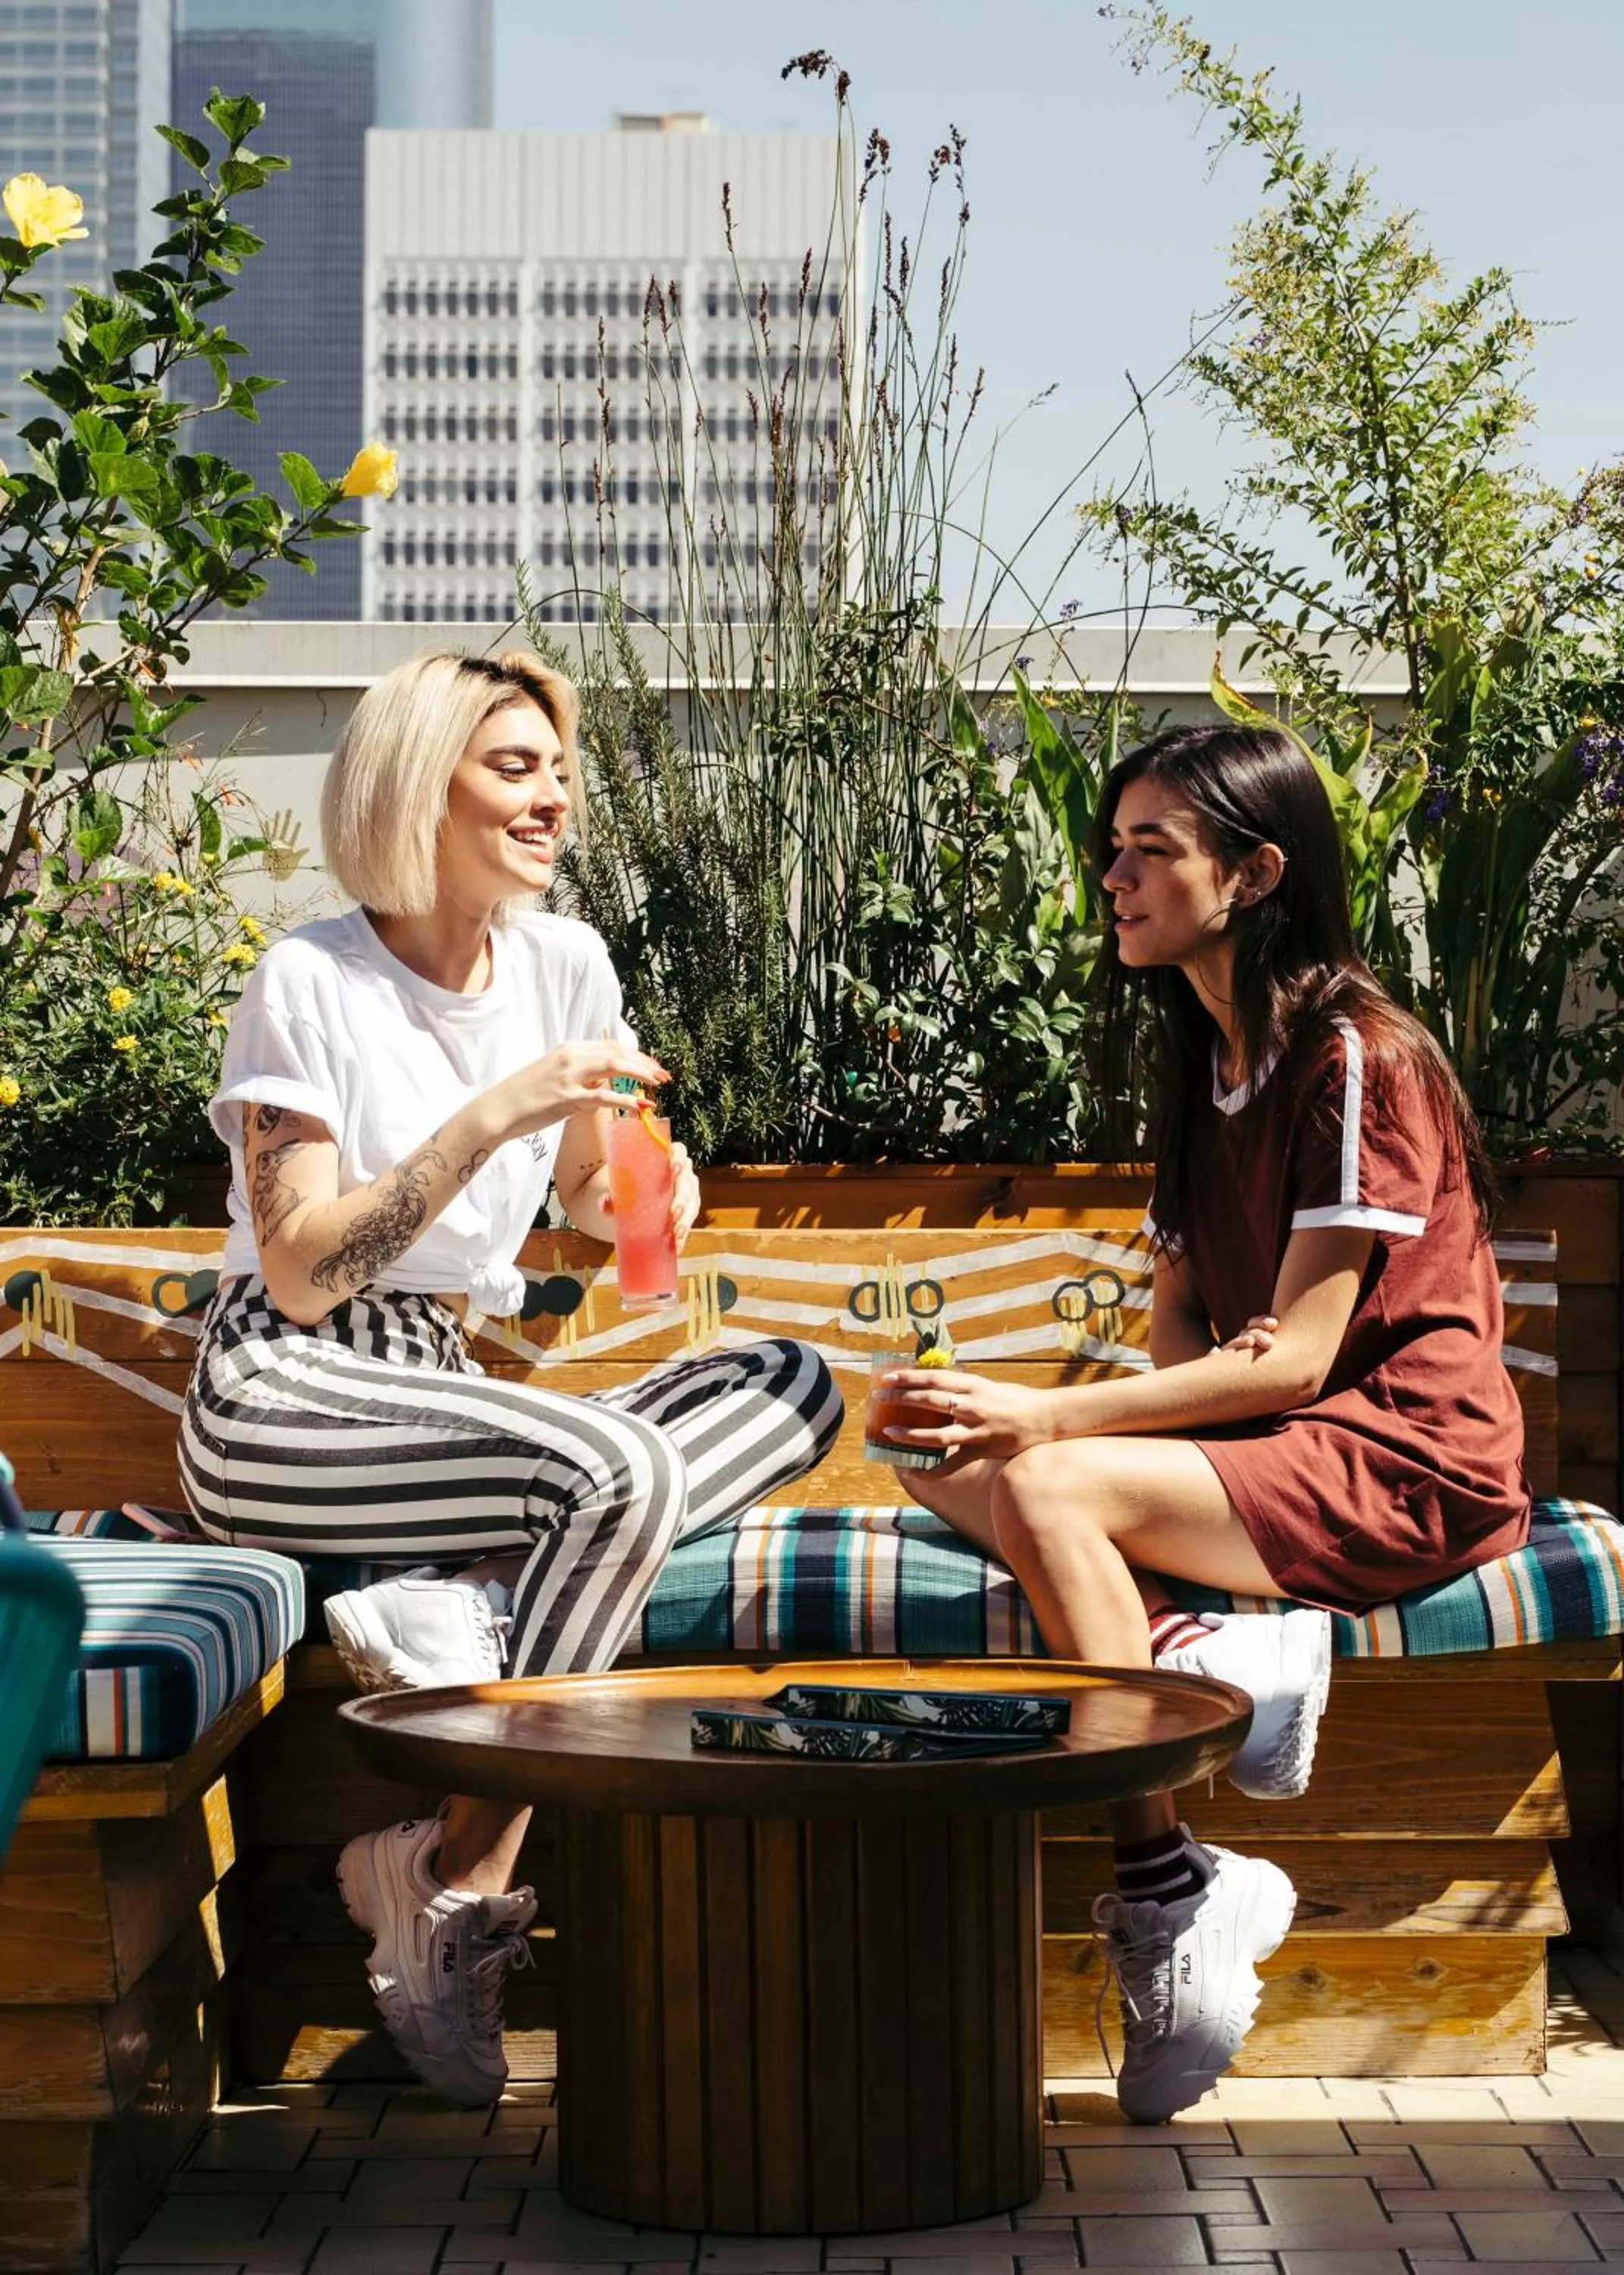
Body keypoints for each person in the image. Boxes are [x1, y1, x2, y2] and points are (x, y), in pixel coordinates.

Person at [178, 651, 843, 2104]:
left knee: (796, 1382)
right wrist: (491, 1121)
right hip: (287, 1390)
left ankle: (475, 1614)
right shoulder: (310, 979)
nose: (555, 797)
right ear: (424, 783)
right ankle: (464, 1879)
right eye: (516, 767)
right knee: (612, 1473)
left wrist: (638, 1192)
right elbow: (300, 1266)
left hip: (444, 1389)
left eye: (558, 766)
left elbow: (604, 1204)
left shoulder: (566, 965)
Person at [878, 723, 1529, 2123]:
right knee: (931, 1441)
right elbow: (1187, 1330)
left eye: (1150, 850)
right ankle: (1203, 1649)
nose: (1112, 876)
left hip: (1405, 1455)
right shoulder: (1200, 1062)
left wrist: (1051, 1425)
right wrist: (1034, 1424)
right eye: (1110, 848)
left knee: (1043, 1486)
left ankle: (1169, 1884)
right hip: (1284, 1453)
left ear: (1252, 873)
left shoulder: (1356, 1056)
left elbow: (1293, 1359)